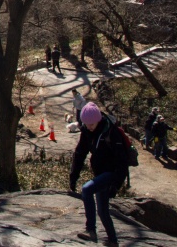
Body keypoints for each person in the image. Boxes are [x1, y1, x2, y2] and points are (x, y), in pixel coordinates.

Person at [69, 102, 128, 247]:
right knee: (102, 211)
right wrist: (73, 175)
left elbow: (122, 161)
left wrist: (116, 185)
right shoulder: (87, 132)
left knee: (87, 189)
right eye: (86, 124)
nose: (89, 126)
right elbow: (79, 154)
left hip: (112, 173)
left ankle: (91, 230)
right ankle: (113, 241)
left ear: (98, 120)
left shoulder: (111, 132)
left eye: (92, 124)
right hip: (100, 174)